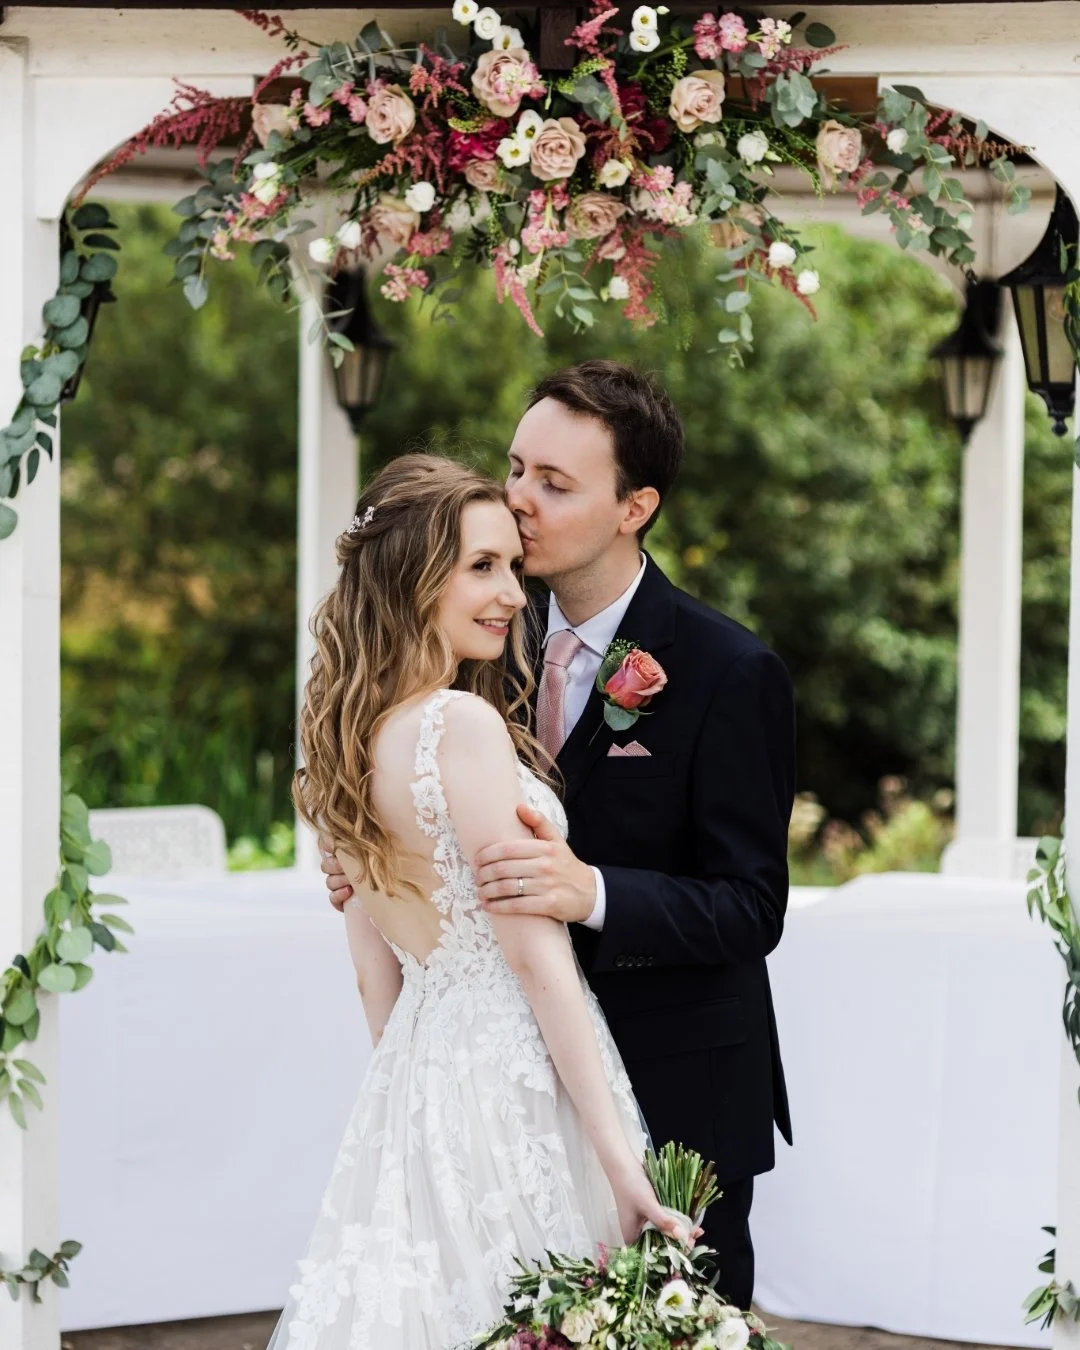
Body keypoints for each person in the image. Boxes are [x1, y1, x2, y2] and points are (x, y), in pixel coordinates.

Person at [321, 361, 797, 1313]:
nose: (518, 500)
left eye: (555, 483)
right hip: (504, 1101)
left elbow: (752, 906)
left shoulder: (727, 668)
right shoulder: (474, 627)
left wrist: (594, 893)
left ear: (636, 506)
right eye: (516, 467)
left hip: (672, 1092)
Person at [269, 453, 682, 1350]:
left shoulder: (338, 747)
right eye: (481, 568)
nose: (511, 595)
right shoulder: (460, 724)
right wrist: (623, 1169)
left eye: (511, 566)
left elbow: (376, 977)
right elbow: (537, 960)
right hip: (517, 1072)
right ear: (412, 578)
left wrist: (414, 1113)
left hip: (420, 1075)